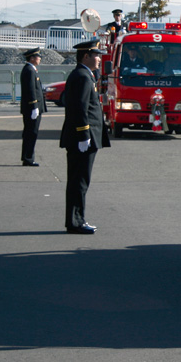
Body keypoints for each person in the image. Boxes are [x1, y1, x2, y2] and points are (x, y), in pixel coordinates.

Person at [59, 39, 109, 234]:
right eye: (96, 55)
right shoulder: (82, 76)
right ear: (86, 56)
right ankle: (76, 222)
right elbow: (80, 108)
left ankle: (76, 219)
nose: (99, 58)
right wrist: (83, 134)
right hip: (82, 137)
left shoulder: (85, 75)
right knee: (79, 181)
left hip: (84, 136)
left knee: (79, 181)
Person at [19, 47, 47, 166]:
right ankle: (28, 158)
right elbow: (30, 90)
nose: (39, 59)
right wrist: (34, 105)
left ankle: (27, 156)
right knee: (31, 133)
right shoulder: (29, 70)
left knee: (30, 133)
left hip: (32, 107)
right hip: (31, 108)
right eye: (38, 57)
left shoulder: (31, 69)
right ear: (32, 58)